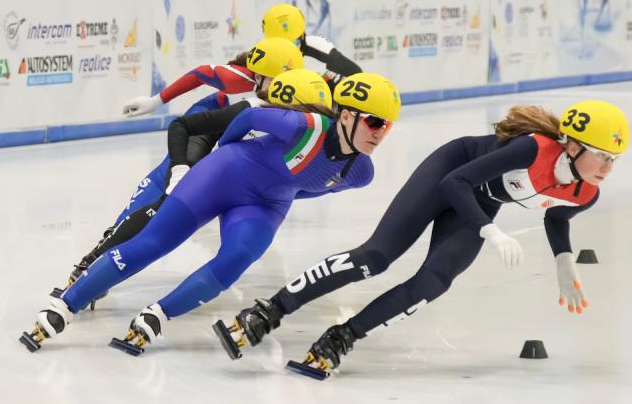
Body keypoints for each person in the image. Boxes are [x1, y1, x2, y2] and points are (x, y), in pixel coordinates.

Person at [213, 100, 630, 378]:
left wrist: (564, 260)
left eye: (614, 160)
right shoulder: (533, 149)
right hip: (452, 172)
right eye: (602, 156)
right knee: (375, 257)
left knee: (435, 281)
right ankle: (269, 311)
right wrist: (490, 230)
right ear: (572, 146)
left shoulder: (586, 191)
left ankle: (343, 337)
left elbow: (558, 218)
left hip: (481, 204)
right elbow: (457, 182)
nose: (607, 168)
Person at [20, 69, 402, 355]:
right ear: (348, 116)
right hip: (226, 172)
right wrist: (225, 153)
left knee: (238, 258)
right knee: (154, 242)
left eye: (387, 127)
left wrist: (283, 196)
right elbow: (249, 119)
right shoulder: (304, 126)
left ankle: (157, 316)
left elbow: (311, 188)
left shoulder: (360, 172)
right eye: (373, 121)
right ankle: (63, 306)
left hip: (266, 203)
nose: (379, 133)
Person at [48, 5, 361, 303]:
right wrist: (157, 101)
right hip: (206, 127)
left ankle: (96, 263)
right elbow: (201, 76)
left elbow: (350, 86)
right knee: (163, 199)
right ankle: (88, 268)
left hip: (237, 135)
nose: (276, 92)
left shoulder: (307, 83)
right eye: (270, 84)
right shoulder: (248, 76)